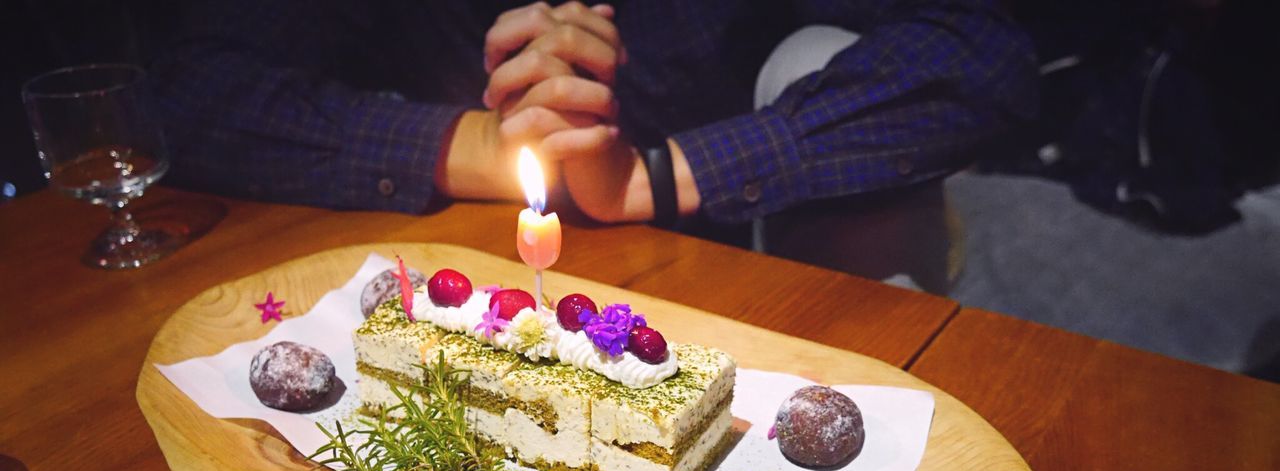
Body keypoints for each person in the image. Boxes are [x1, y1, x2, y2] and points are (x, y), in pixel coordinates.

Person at [153, 1, 1035, 287]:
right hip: (475, 240)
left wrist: (650, 177)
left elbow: (981, 49)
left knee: (823, 59)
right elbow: (185, 95)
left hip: (745, 235)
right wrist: (491, 146)